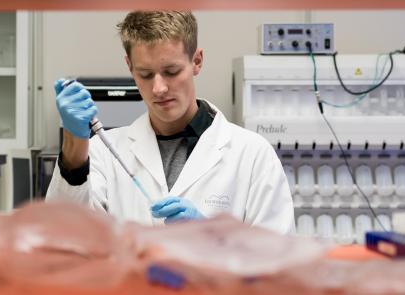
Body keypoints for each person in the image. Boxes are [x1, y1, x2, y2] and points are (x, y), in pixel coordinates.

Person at [46, 10, 294, 234]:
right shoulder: (105, 154)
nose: (159, 88)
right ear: (130, 67)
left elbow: (280, 263)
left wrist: (213, 239)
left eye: (172, 72)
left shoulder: (252, 155)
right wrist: (74, 142)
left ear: (196, 61)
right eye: (145, 75)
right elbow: (63, 237)